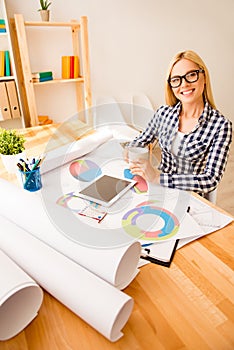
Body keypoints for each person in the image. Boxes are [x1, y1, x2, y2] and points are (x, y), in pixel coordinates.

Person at [127, 50, 232, 198]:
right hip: (159, 192)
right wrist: (130, 150)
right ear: (170, 86)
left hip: (190, 200)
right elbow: (141, 140)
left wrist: (158, 178)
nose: (184, 84)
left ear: (204, 77)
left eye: (191, 75)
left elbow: (210, 179)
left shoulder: (221, 126)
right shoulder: (163, 114)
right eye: (176, 79)